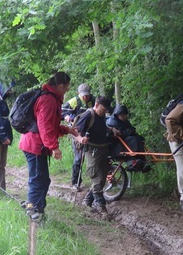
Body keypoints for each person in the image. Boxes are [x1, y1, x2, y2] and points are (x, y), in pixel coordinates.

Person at [19, 72, 80, 221]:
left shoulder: (51, 98)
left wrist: (66, 129)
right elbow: (44, 126)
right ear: (60, 85)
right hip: (34, 145)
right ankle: (34, 212)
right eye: (66, 87)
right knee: (39, 179)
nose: (67, 90)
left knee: (41, 179)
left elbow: (51, 125)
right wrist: (54, 147)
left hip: (35, 143)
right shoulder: (48, 100)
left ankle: (34, 207)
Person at [76, 95, 113, 212]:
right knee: (96, 175)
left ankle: (88, 200)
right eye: (102, 110)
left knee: (103, 177)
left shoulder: (101, 116)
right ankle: (101, 206)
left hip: (103, 148)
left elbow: (102, 127)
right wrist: (80, 139)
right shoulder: (88, 115)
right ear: (96, 105)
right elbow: (75, 131)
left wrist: (112, 130)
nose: (103, 113)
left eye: (105, 111)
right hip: (92, 149)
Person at [62, 83, 94, 191]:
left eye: (87, 95)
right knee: (79, 158)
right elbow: (61, 110)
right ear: (79, 94)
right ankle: (75, 182)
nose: (85, 97)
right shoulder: (74, 101)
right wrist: (66, 116)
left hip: (90, 132)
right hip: (77, 133)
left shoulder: (93, 101)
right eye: (83, 95)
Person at [106, 103, 149, 172]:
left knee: (139, 139)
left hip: (123, 143)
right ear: (117, 114)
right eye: (122, 115)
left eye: (125, 115)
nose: (124, 116)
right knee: (133, 140)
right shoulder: (112, 122)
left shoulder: (124, 121)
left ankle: (141, 161)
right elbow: (118, 134)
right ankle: (133, 162)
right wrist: (128, 132)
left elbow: (130, 130)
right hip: (115, 147)